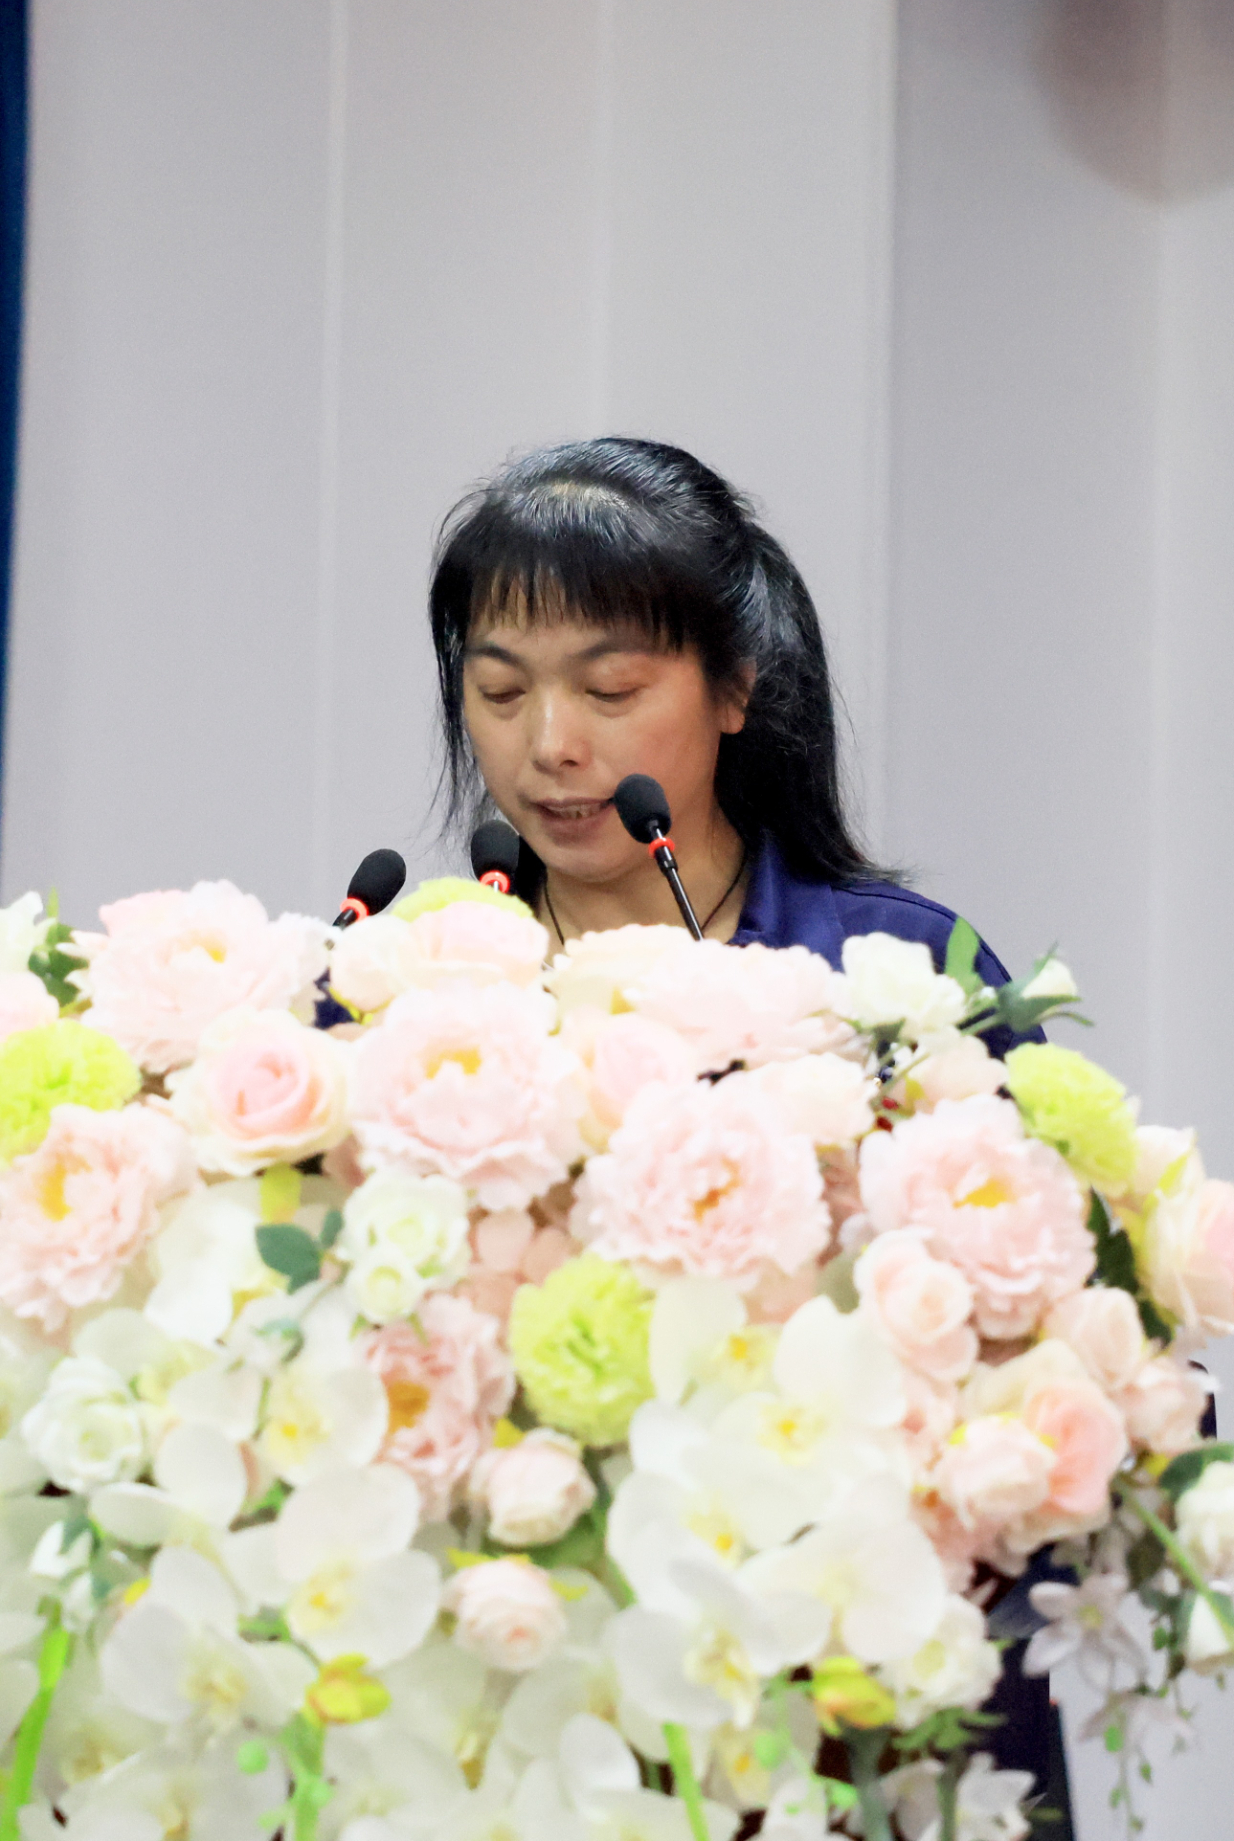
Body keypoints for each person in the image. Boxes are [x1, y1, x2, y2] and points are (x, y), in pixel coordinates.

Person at [427, 436, 1070, 1833]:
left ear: (735, 689)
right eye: (501, 690)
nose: (551, 745)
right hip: (521, 1702)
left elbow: (1051, 1344)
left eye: (610, 689)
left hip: (846, 1690)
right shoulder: (414, 1003)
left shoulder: (902, 981)